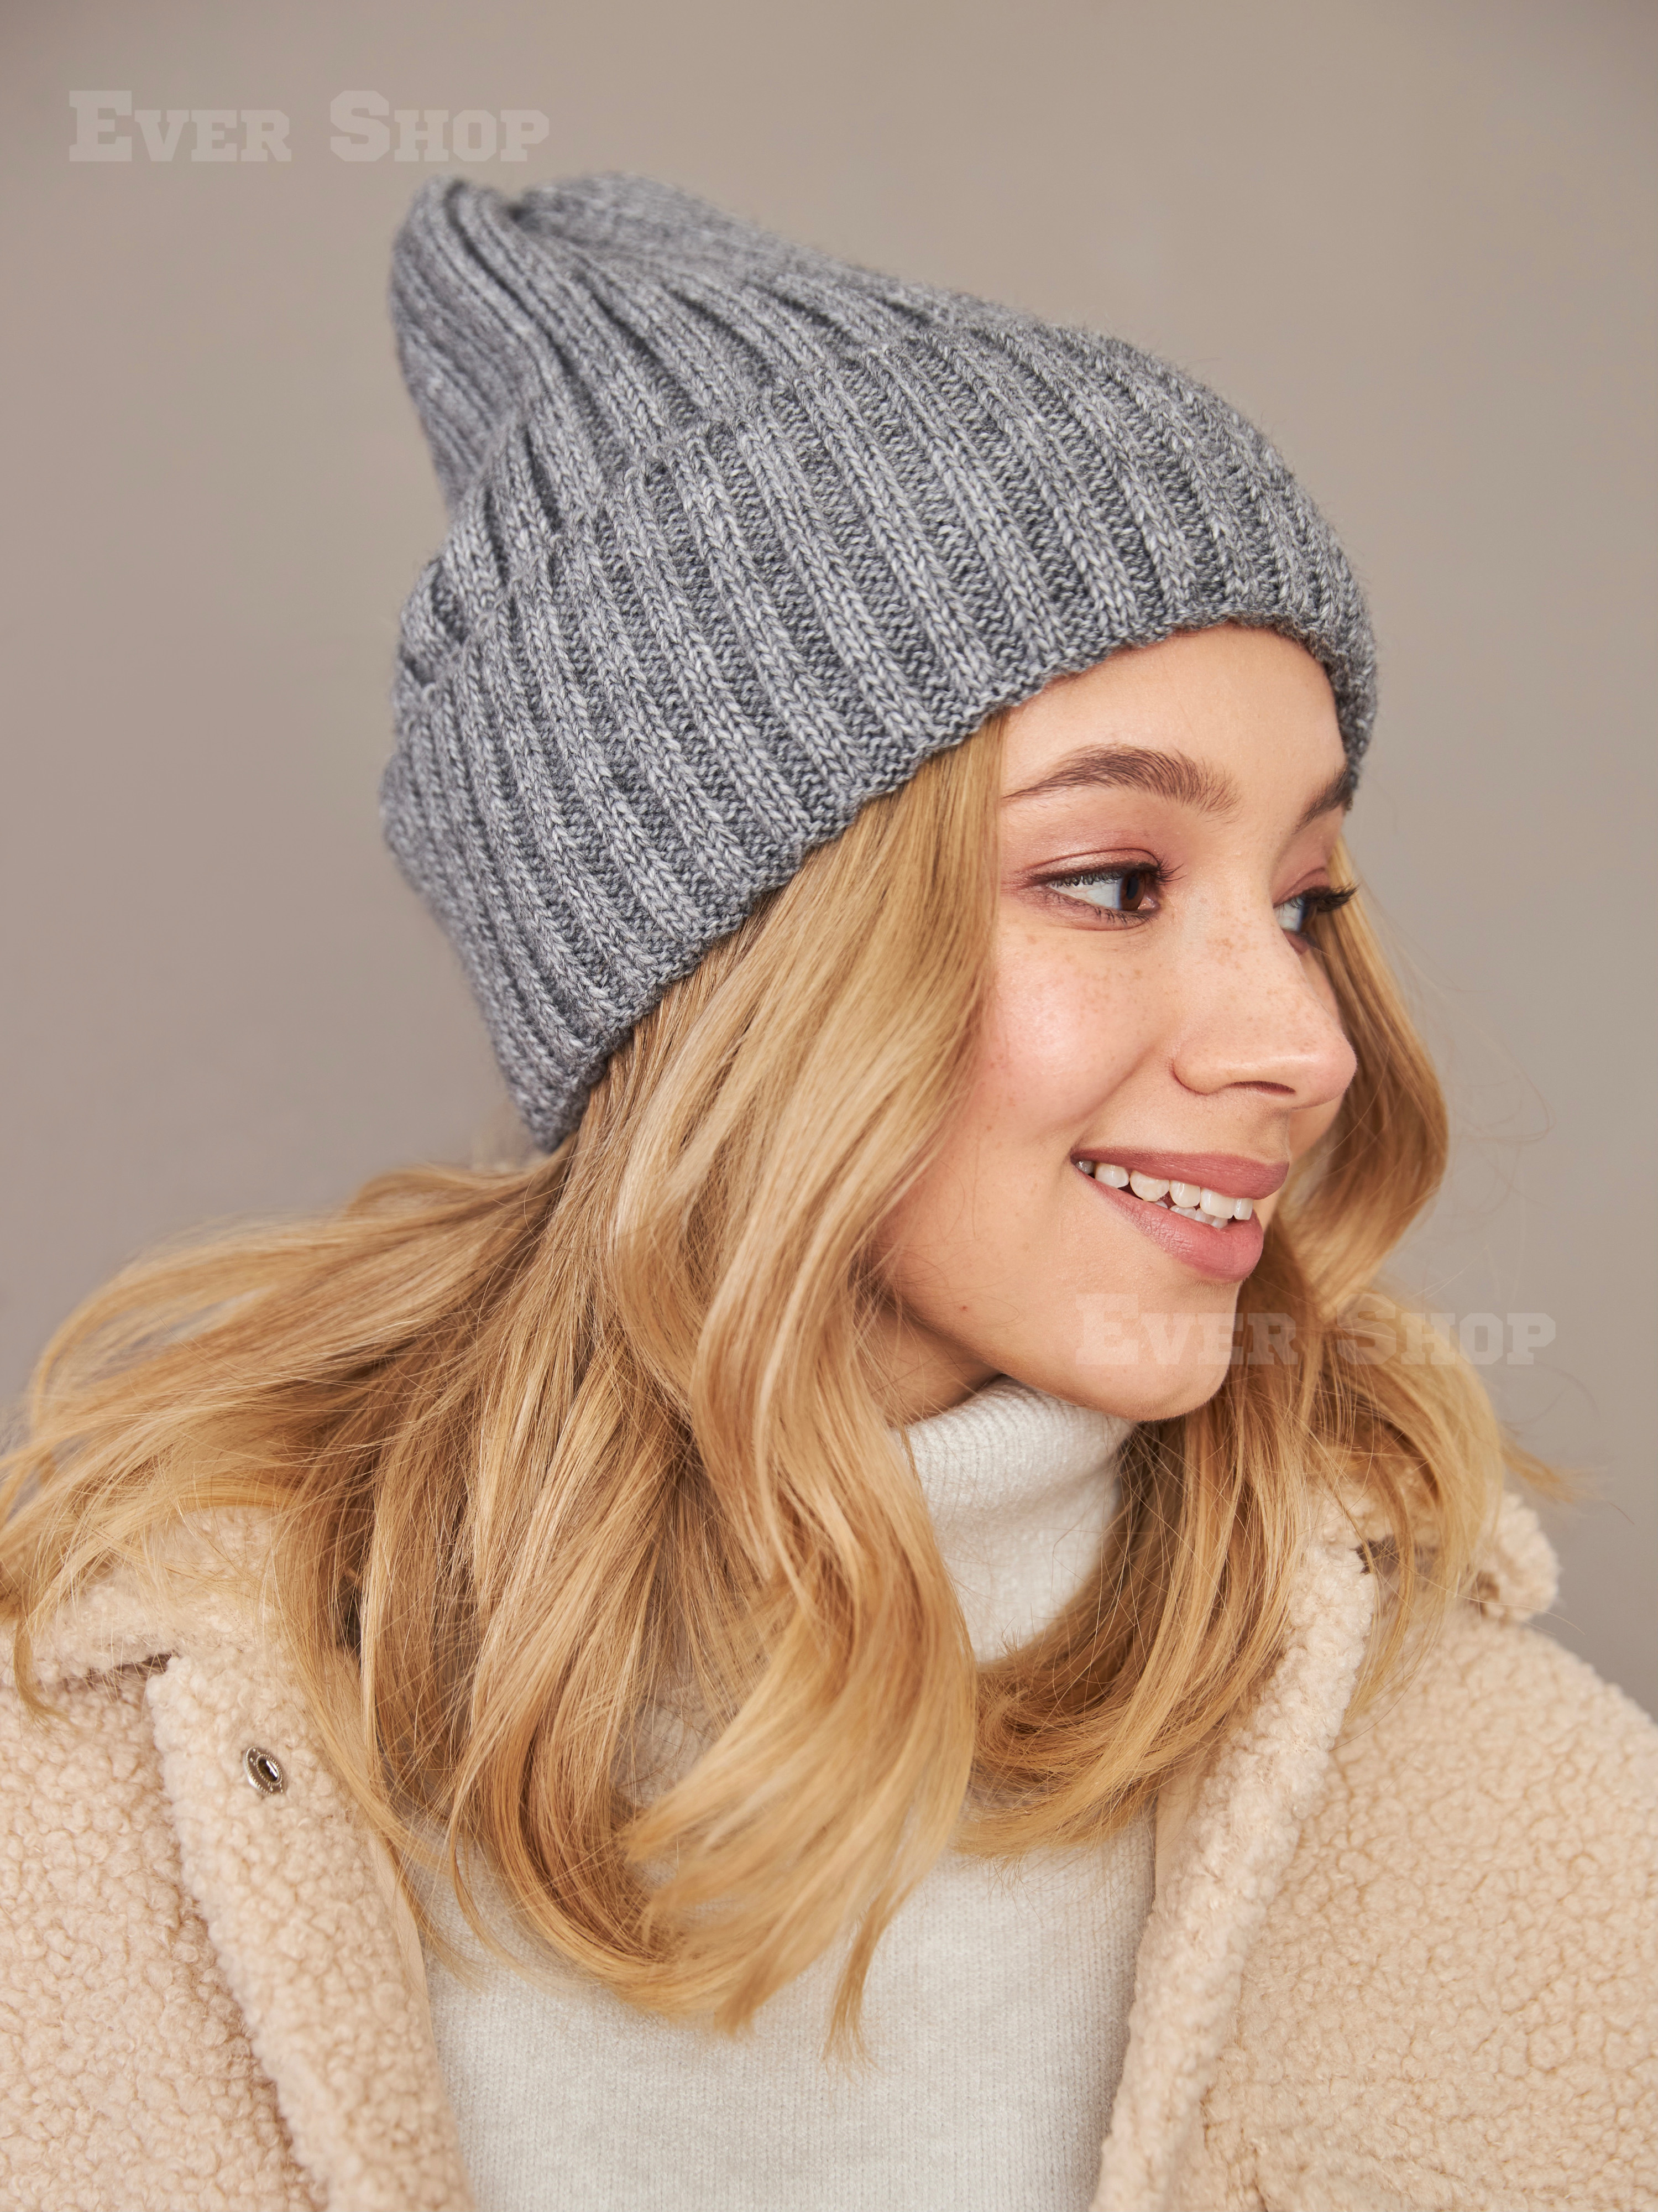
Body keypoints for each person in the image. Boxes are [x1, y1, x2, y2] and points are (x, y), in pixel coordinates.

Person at [2, 172, 1652, 2212]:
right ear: (735, 970)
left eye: (1305, 899)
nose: (1306, 1046)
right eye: (1113, 880)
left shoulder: (1531, 1834)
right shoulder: (110, 1798)